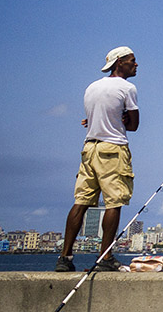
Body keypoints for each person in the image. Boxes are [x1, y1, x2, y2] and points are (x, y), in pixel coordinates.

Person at [56, 46, 140, 272]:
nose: (136, 64)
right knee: (114, 202)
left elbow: (94, 118)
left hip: (89, 149)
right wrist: (123, 119)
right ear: (119, 62)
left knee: (81, 201)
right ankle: (105, 257)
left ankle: (65, 258)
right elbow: (133, 125)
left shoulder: (92, 87)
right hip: (113, 149)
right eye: (132, 61)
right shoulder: (127, 88)